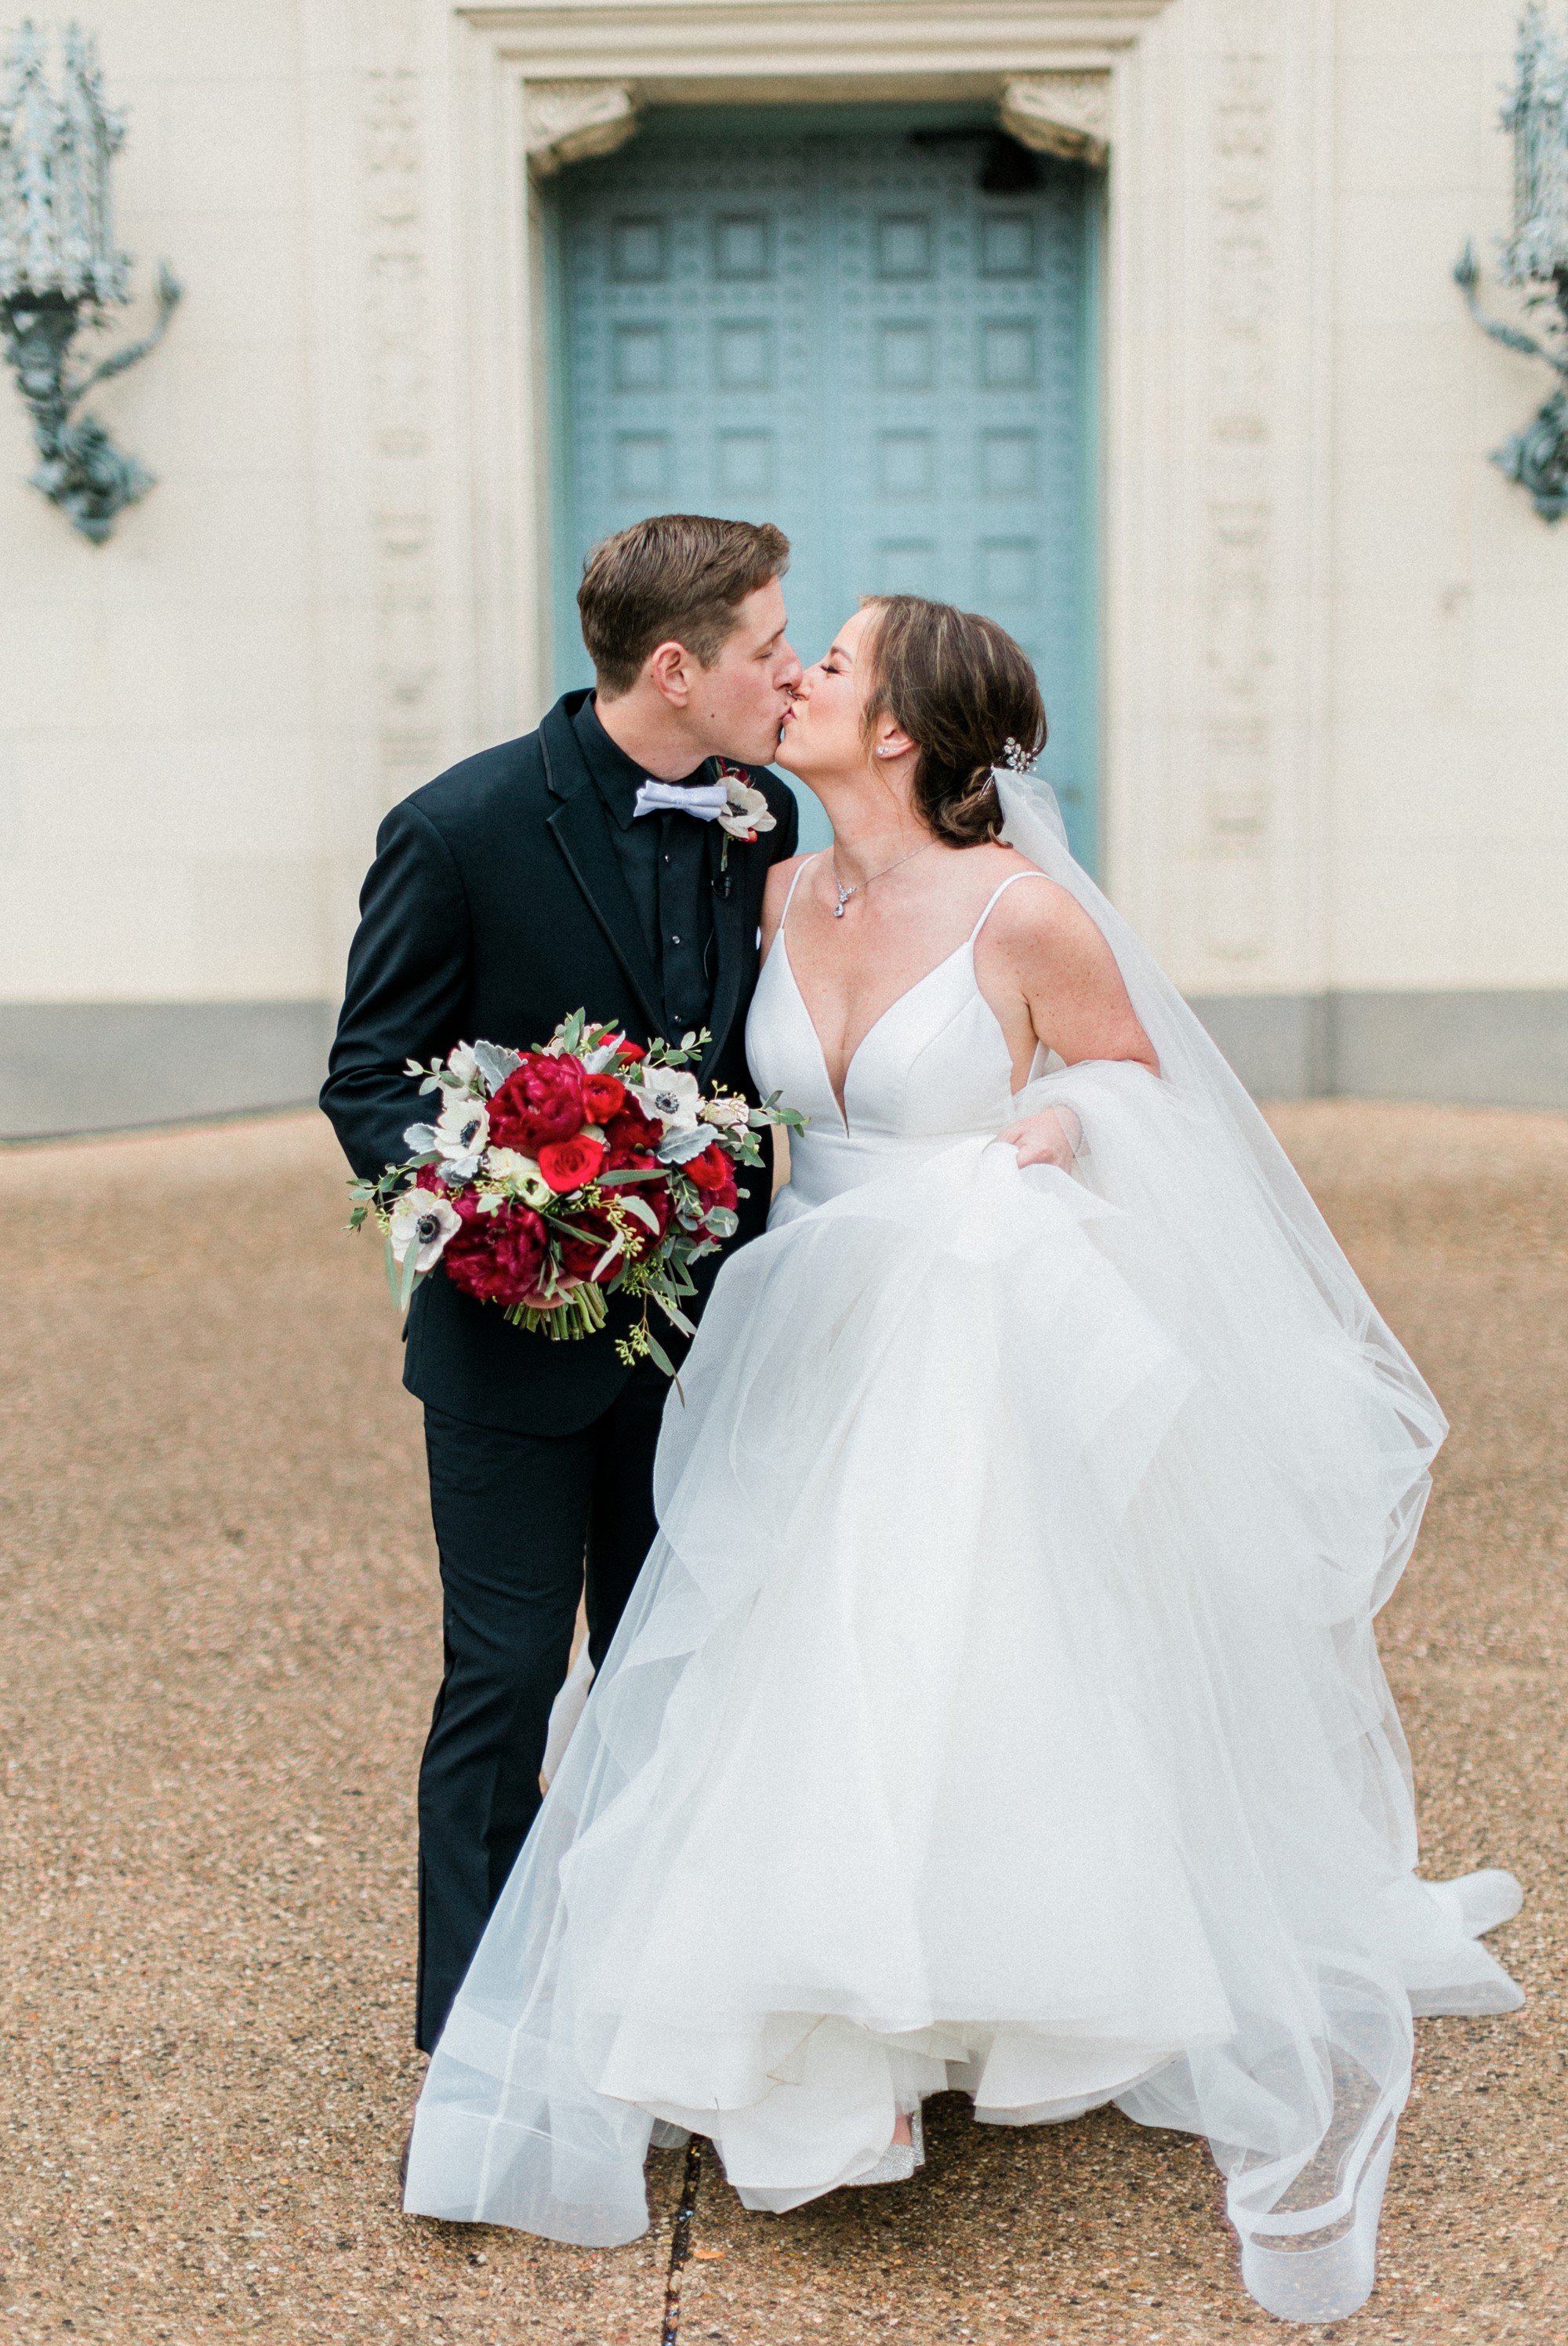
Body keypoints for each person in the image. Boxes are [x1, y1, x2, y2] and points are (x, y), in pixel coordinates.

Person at [401, 596, 1523, 2325]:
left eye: (831, 663)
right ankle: (823, 2006)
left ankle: (936, 2010)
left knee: (952, 1654)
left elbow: (1155, 1090)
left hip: (963, 1323)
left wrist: (1066, 1119)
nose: (799, 680)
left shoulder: (1023, 913)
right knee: (776, 1659)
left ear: (905, 726)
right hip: (797, 1329)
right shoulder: (770, 881)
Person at [321, 514, 811, 2063]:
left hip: (705, 1343)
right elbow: (367, 1080)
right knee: (510, 1671)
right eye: (765, 648)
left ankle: (644, 2006)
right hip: (510, 1344)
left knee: (673, 1668)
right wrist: (511, 1200)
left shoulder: (765, 815)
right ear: (676, 669)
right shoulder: (455, 826)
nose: (789, 674)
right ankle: (475, 2047)